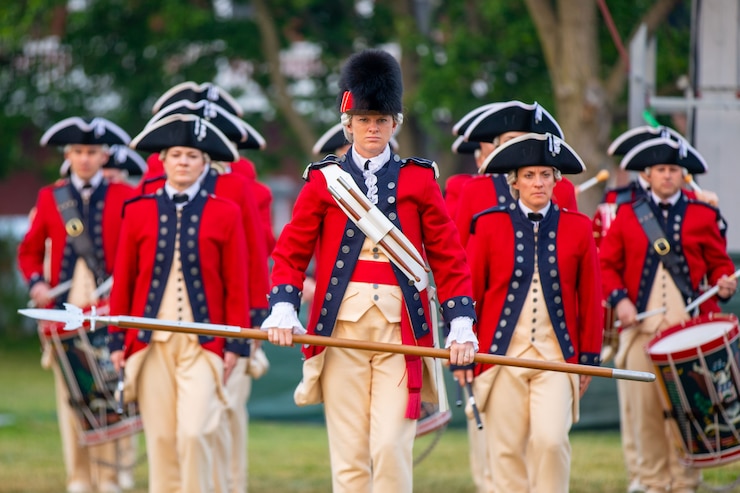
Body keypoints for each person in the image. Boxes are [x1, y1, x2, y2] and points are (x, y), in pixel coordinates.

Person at [261, 49, 478, 493]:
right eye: (363, 120)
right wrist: (283, 306)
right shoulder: (324, 181)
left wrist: (460, 321)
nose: (372, 128)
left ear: (395, 123)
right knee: (350, 456)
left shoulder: (419, 180)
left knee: (390, 450)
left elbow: (448, 257)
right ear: (349, 124)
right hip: (340, 333)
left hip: (403, 335)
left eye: (381, 119)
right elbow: (290, 252)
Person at [108, 114, 250, 493]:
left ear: (204, 164)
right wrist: (115, 340)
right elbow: (124, 281)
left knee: (194, 432)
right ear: (163, 161)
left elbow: (236, 283)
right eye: (176, 155)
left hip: (204, 344)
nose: (183, 161)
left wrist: (235, 344)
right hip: (150, 343)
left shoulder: (226, 212)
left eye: (191, 155)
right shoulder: (137, 210)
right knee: (161, 439)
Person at [464, 132, 603, 493]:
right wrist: (462, 347)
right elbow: (470, 293)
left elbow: (590, 297)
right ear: (514, 181)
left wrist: (588, 357)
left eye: (545, 174)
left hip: (557, 360)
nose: (537, 183)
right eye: (529, 175)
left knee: (551, 440)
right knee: (506, 451)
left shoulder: (579, 228)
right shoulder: (489, 224)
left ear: (557, 179)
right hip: (499, 358)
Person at [599, 136, 737, 493]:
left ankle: (684, 482)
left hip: (688, 335)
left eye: (674, 170)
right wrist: (621, 301)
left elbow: (719, 263)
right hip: (642, 332)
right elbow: (606, 266)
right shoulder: (629, 215)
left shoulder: (702, 215)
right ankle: (652, 481)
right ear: (647, 174)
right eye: (661, 170)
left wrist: (724, 282)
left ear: (682, 175)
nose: (667, 176)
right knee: (642, 415)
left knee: (688, 415)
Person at [17, 117, 135, 493]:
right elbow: (30, 250)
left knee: (112, 396)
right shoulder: (51, 197)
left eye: (92, 152)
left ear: (104, 156)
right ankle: (80, 478)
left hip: (110, 313)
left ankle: (111, 477)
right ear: (69, 156)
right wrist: (37, 283)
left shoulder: (124, 196)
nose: (85, 159)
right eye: (78, 152)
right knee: (73, 399)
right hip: (64, 317)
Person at [453, 100, 579, 248]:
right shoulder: (474, 190)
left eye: (526, 139)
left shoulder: (564, 189)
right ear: (497, 145)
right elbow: (459, 249)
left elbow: (573, 244)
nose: (520, 146)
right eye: (510, 140)